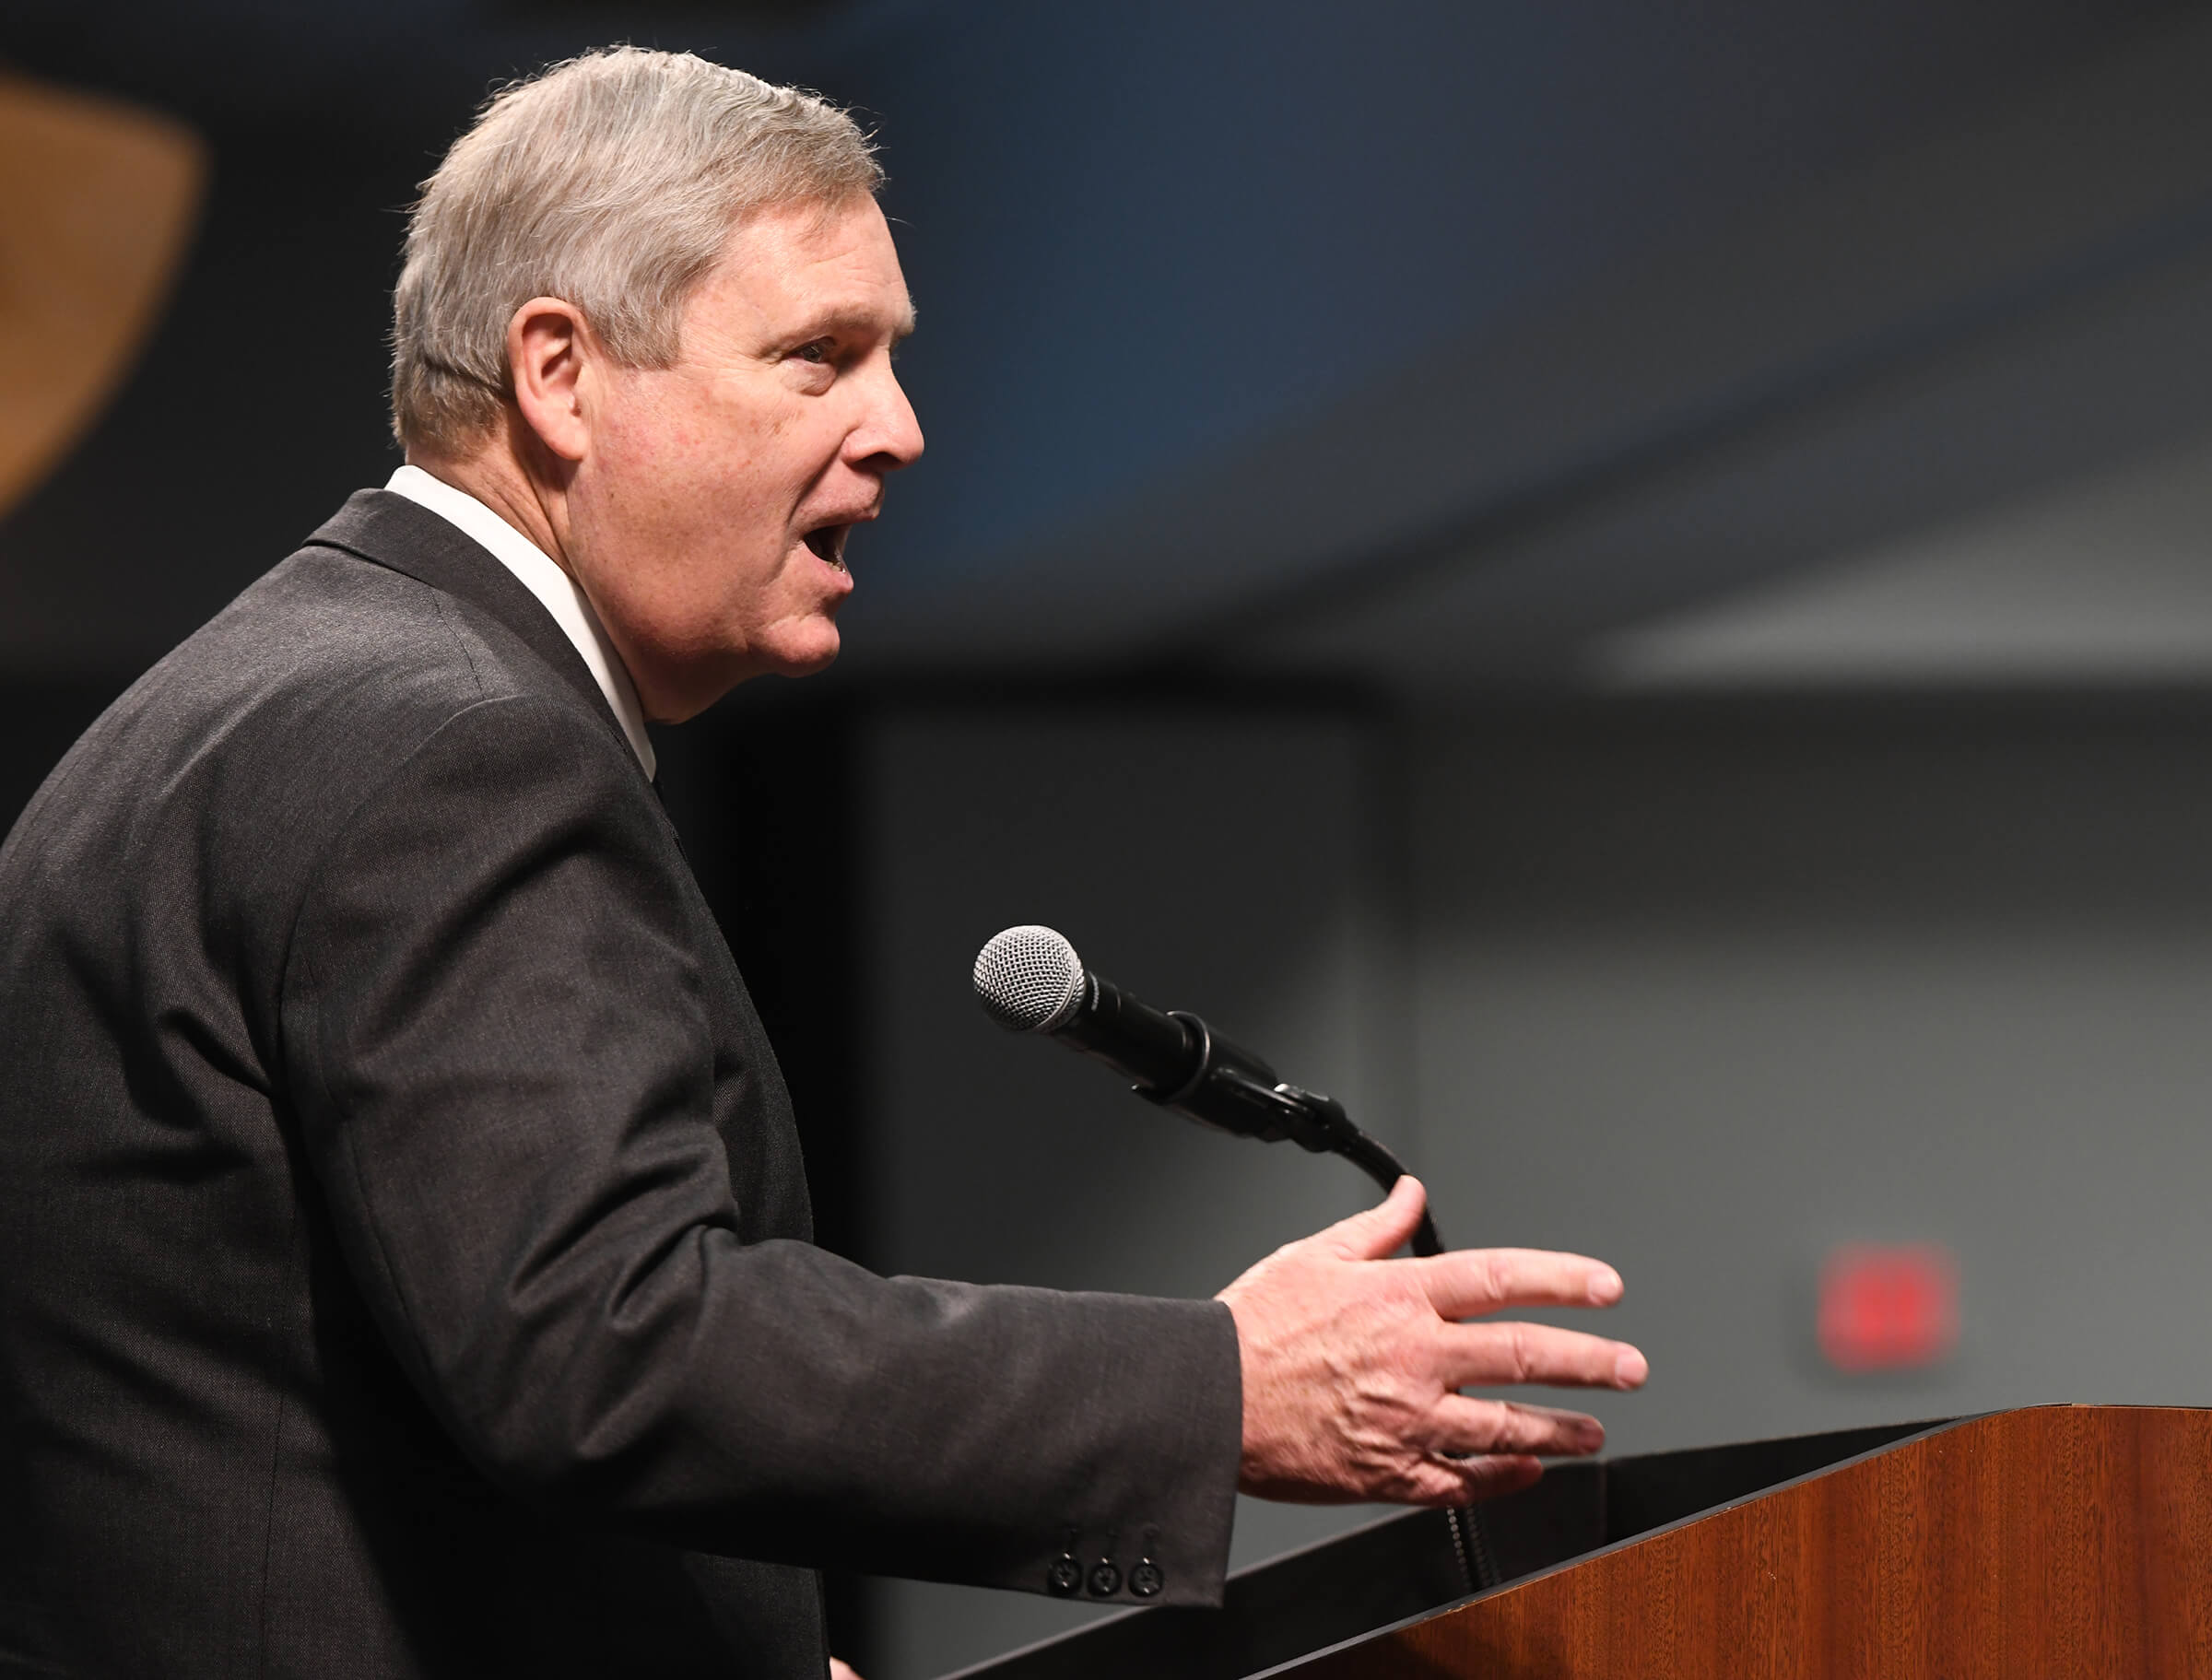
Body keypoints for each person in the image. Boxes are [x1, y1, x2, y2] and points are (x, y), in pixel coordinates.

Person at [0, 48, 1647, 1680]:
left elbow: (364, 1404)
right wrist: (1216, 1389)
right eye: (820, 355)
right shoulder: (451, 750)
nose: (904, 429)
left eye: (894, 358)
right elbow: (602, 1348)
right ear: (561, 376)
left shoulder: (276, 699)